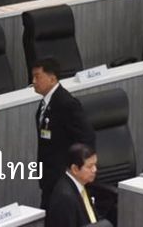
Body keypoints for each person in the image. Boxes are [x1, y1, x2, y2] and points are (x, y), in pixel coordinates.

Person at [32, 57, 96, 209]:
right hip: (49, 178)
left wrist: (77, 171)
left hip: (62, 179)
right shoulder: (45, 104)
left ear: (52, 78)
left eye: (37, 76)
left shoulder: (66, 104)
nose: (33, 81)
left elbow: (87, 138)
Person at [45, 143, 107, 227]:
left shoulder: (83, 183)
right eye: (90, 166)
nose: (94, 169)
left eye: (95, 164)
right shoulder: (65, 198)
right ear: (75, 169)